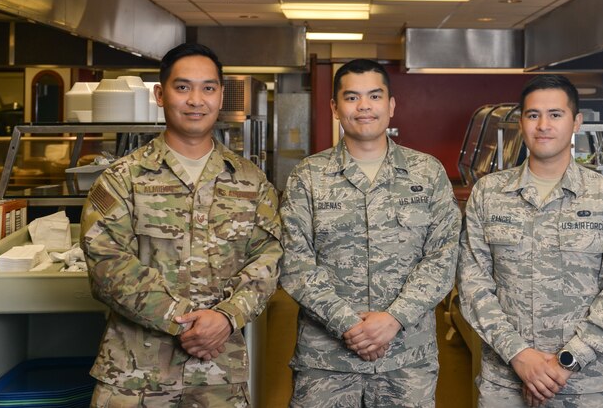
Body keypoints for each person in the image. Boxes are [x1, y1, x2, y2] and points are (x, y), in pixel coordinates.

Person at [80, 42, 282, 407]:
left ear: (220, 97)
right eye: (183, 87)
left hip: (220, 375)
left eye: (208, 88)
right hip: (134, 376)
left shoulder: (251, 181)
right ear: (161, 94)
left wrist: (226, 316)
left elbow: (269, 259)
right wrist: (181, 320)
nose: (196, 100)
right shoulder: (122, 179)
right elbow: (106, 265)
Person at [280, 59, 461, 407]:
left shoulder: (427, 173)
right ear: (335, 107)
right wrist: (347, 323)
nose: (364, 106)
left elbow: (444, 256)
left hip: (407, 361)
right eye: (352, 98)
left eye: (375, 96)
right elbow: (294, 263)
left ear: (391, 106)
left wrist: (394, 318)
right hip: (325, 365)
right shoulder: (309, 176)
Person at [456, 74, 603, 407]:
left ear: (576, 123)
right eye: (533, 115)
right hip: (506, 383)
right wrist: (520, 356)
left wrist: (567, 361)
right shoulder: (488, 194)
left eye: (555, 115)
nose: (543, 125)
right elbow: (472, 286)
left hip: (590, 387)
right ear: (521, 122)